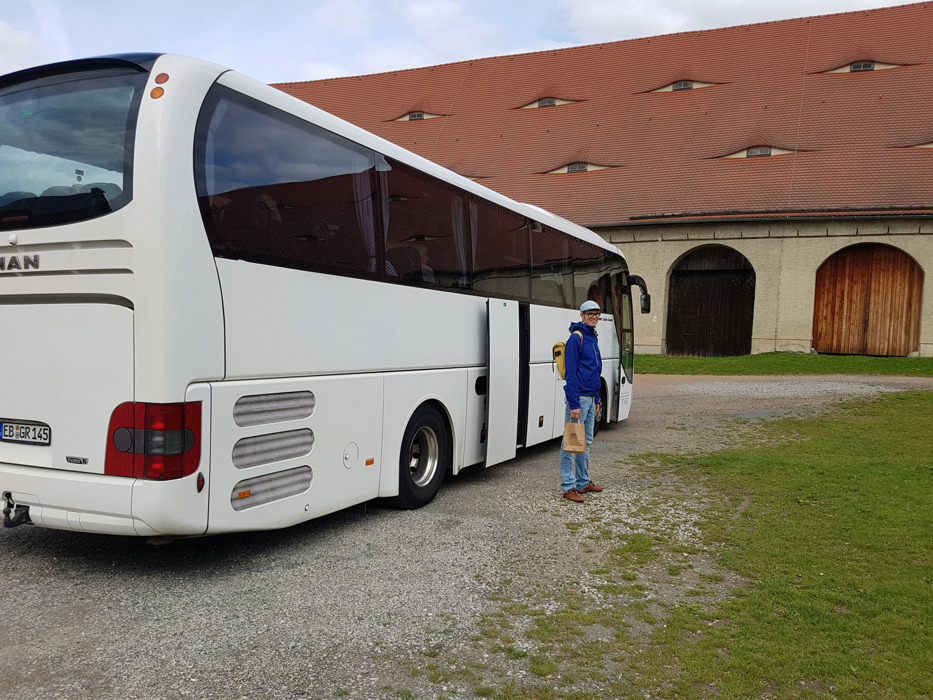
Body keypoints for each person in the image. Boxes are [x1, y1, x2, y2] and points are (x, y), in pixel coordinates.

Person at [560, 299, 606, 502]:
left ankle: (583, 482)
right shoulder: (576, 338)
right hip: (578, 398)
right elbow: (571, 373)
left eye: (596, 314)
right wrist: (574, 404)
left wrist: (597, 398)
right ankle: (568, 487)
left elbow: (595, 370)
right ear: (582, 316)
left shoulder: (592, 337)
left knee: (585, 442)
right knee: (570, 443)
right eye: (590, 314)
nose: (594, 317)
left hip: (590, 397)